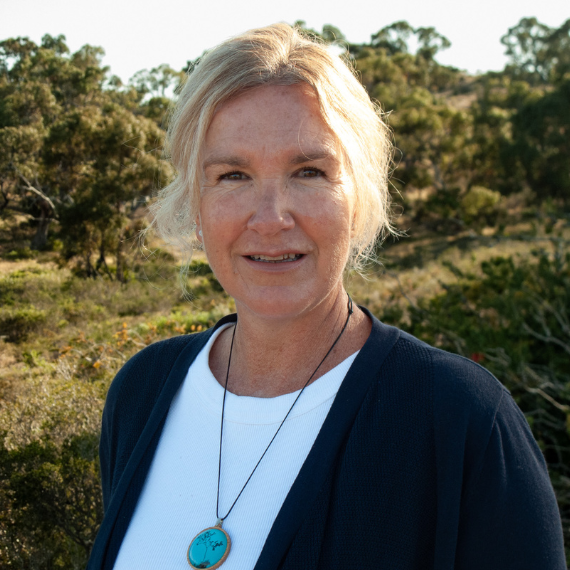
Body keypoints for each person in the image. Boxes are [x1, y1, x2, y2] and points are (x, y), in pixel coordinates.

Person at [87, 24, 566, 570]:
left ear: (358, 197)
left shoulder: (460, 420)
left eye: (309, 172)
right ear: (196, 202)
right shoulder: (141, 393)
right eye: (233, 175)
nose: (270, 218)